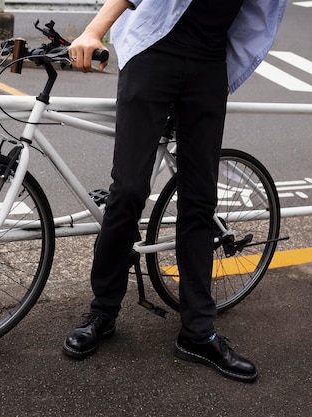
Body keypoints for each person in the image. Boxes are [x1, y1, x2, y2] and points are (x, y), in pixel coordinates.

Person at [62, 0, 288, 383]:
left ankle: (198, 333)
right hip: (154, 53)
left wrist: (224, 78)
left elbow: (257, 17)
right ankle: (103, 311)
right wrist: (92, 31)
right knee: (130, 190)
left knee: (200, 201)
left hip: (210, 65)